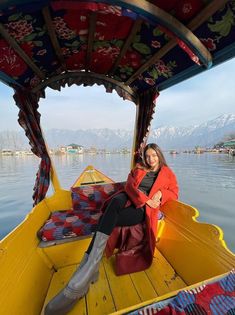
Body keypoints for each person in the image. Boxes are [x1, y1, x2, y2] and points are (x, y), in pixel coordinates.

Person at [45, 143, 179, 315]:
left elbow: (174, 192)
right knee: (115, 202)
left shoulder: (167, 173)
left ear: (159, 155)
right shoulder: (139, 168)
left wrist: (161, 194)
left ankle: (87, 270)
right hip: (133, 198)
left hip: (142, 211)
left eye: (153, 155)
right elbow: (130, 186)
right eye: (147, 156)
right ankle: (90, 268)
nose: (150, 159)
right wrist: (145, 198)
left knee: (108, 219)